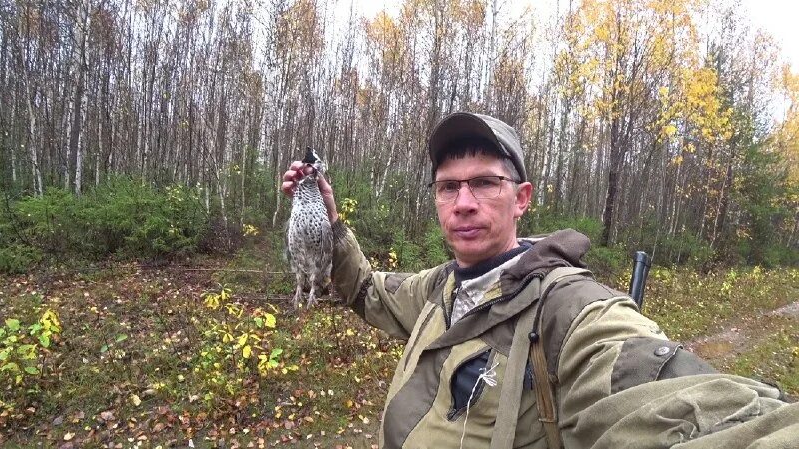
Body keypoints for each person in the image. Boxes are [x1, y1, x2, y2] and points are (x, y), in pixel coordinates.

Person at [281, 112, 798, 448]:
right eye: (448, 187)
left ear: (521, 198)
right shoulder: (438, 288)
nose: (464, 202)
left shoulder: (570, 311)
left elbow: (689, 407)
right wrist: (329, 226)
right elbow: (367, 291)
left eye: (485, 183)